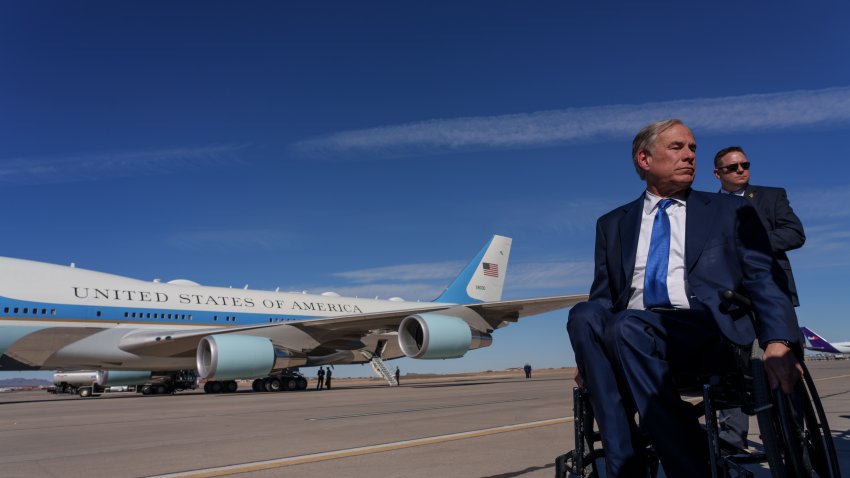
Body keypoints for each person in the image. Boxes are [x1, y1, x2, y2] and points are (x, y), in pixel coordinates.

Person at [567, 119, 802, 477]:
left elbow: (762, 279)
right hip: (629, 332)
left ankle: (674, 465)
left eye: (692, 148)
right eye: (677, 148)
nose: (690, 156)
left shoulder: (730, 211)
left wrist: (780, 339)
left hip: (705, 332)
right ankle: (628, 466)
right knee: (584, 315)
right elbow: (604, 296)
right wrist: (589, 351)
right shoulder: (612, 223)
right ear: (644, 160)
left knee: (628, 326)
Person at [713, 145, 806, 448]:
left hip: (771, 294)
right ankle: (732, 440)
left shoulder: (770, 196)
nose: (740, 170)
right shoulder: (707, 207)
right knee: (729, 372)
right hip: (730, 299)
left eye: (744, 165)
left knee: (784, 368)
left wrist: (749, 243)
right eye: (732, 167)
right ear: (718, 174)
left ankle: (790, 438)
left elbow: (794, 233)